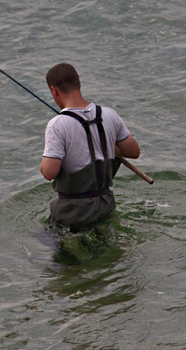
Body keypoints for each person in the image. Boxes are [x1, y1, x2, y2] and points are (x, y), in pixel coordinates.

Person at [37, 63, 142, 233]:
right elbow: (133, 152)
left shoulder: (57, 125)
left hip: (73, 214)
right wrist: (106, 144)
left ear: (54, 90)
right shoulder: (108, 114)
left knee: (47, 250)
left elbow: (48, 173)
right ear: (79, 84)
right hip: (105, 205)